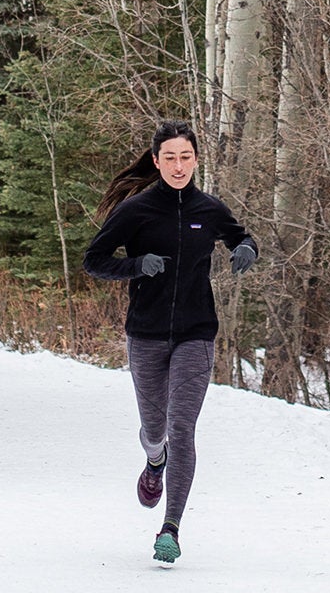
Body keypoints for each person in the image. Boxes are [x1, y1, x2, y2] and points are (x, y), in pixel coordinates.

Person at [82, 120, 256, 564]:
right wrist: (138, 265)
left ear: (196, 160)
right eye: (170, 158)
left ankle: (171, 529)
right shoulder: (136, 210)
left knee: (182, 428)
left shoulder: (209, 209)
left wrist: (245, 248)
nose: (179, 166)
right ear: (157, 161)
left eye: (186, 157)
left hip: (197, 333)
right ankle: (153, 460)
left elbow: (239, 235)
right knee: (156, 429)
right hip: (146, 334)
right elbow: (95, 260)